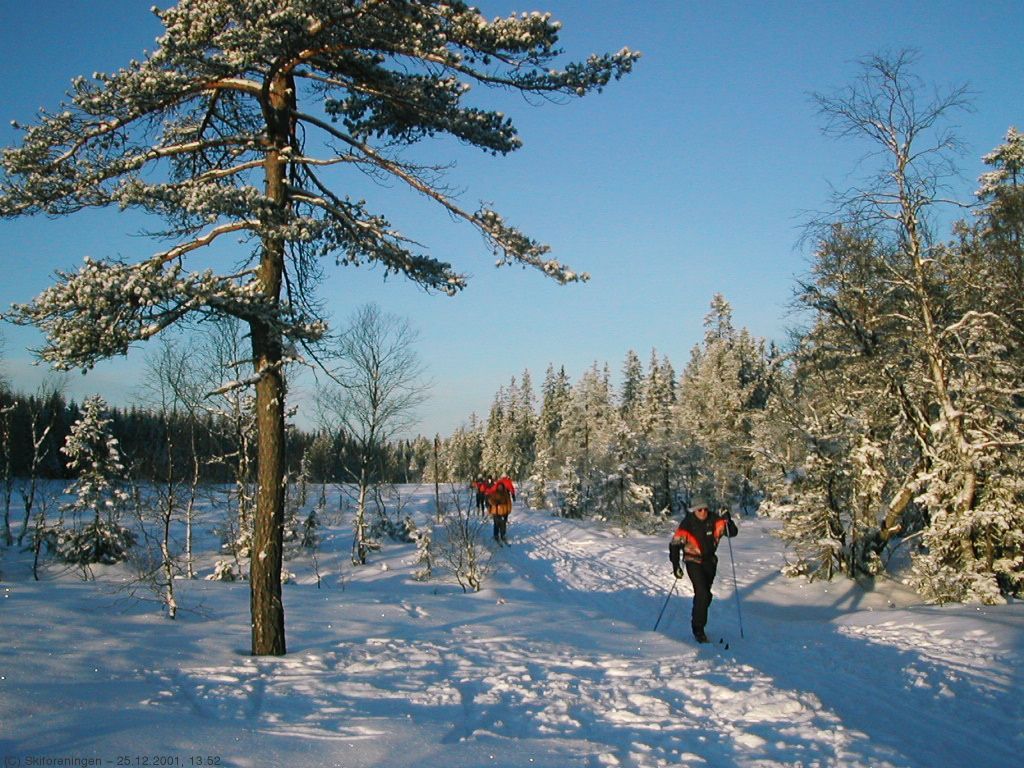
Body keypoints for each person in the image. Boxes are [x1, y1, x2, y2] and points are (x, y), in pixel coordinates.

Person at [669, 496, 738, 643]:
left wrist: (728, 521)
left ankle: (699, 612)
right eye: (699, 509)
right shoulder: (687, 524)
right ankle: (698, 629)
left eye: (705, 509)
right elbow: (674, 545)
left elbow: (731, 532)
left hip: (710, 562)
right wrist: (675, 565)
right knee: (701, 593)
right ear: (694, 510)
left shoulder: (714, 520)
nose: (703, 512)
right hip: (692, 560)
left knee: (706, 596)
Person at [486, 476, 515, 544]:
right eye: (499, 486)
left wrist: (509, 510)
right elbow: (490, 500)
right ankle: (496, 535)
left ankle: (503, 535)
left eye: (501, 486)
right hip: (495, 511)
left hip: (504, 512)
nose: (500, 487)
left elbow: (509, 503)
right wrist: (493, 504)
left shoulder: (506, 494)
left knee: (503, 524)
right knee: (496, 524)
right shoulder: (493, 493)